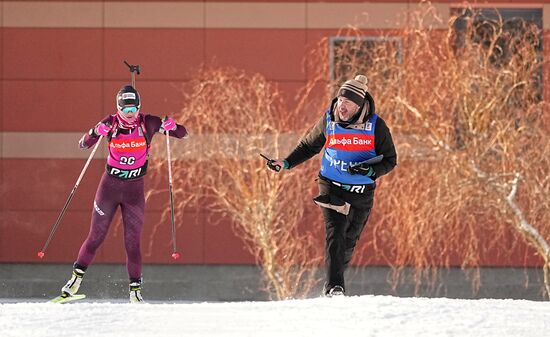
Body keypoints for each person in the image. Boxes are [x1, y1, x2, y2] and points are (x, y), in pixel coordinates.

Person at [268, 74, 397, 297]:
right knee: (335, 234)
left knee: (348, 242)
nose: (341, 105)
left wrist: (370, 171)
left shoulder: (376, 126)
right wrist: (286, 162)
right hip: (331, 187)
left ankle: (336, 275)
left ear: (359, 105)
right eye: (339, 99)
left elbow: (390, 159)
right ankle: (334, 288)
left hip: (361, 193)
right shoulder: (329, 120)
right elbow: (309, 146)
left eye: (347, 102)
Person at [58, 85, 188, 303]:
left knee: (132, 242)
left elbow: (183, 134)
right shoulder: (110, 123)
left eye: (134, 109)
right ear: (118, 108)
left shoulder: (149, 122)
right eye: (125, 109)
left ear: (139, 107)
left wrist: (173, 126)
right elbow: (83, 144)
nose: (130, 114)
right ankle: (74, 281)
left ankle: (135, 292)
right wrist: (94, 132)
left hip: (134, 192)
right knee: (96, 237)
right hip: (109, 188)